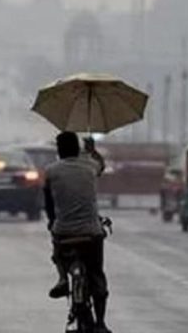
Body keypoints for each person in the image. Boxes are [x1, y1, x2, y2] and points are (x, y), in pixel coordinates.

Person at [43, 131, 111, 333]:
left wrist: (52, 222)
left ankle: (63, 278)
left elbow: (48, 202)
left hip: (64, 232)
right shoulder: (90, 166)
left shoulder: (51, 171)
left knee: (58, 251)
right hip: (91, 233)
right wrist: (93, 151)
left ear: (59, 150)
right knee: (96, 274)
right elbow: (102, 165)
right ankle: (100, 323)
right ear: (77, 148)